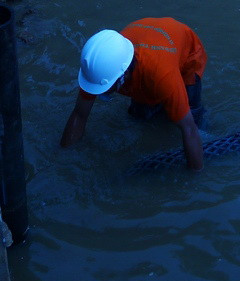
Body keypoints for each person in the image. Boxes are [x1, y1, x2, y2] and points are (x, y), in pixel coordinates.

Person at [60, 17, 207, 170]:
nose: (98, 93)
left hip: (186, 53)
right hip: (149, 42)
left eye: (104, 90)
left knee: (189, 117)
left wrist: (194, 181)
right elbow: (79, 114)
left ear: (123, 76)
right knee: (141, 117)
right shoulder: (98, 68)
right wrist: (63, 159)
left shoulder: (162, 75)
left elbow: (189, 129)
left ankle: (204, 127)